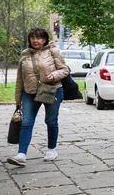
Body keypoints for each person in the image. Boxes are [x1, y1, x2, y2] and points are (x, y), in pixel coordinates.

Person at [7, 28, 69, 166]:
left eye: (39, 38)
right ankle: (21, 154)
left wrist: (54, 75)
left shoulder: (53, 52)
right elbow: (19, 79)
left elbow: (65, 70)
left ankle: (51, 150)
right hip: (29, 92)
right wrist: (18, 100)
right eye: (33, 38)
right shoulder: (25, 54)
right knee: (26, 122)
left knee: (51, 121)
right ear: (29, 39)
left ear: (45, 39)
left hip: (51, 90)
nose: (36, 40)